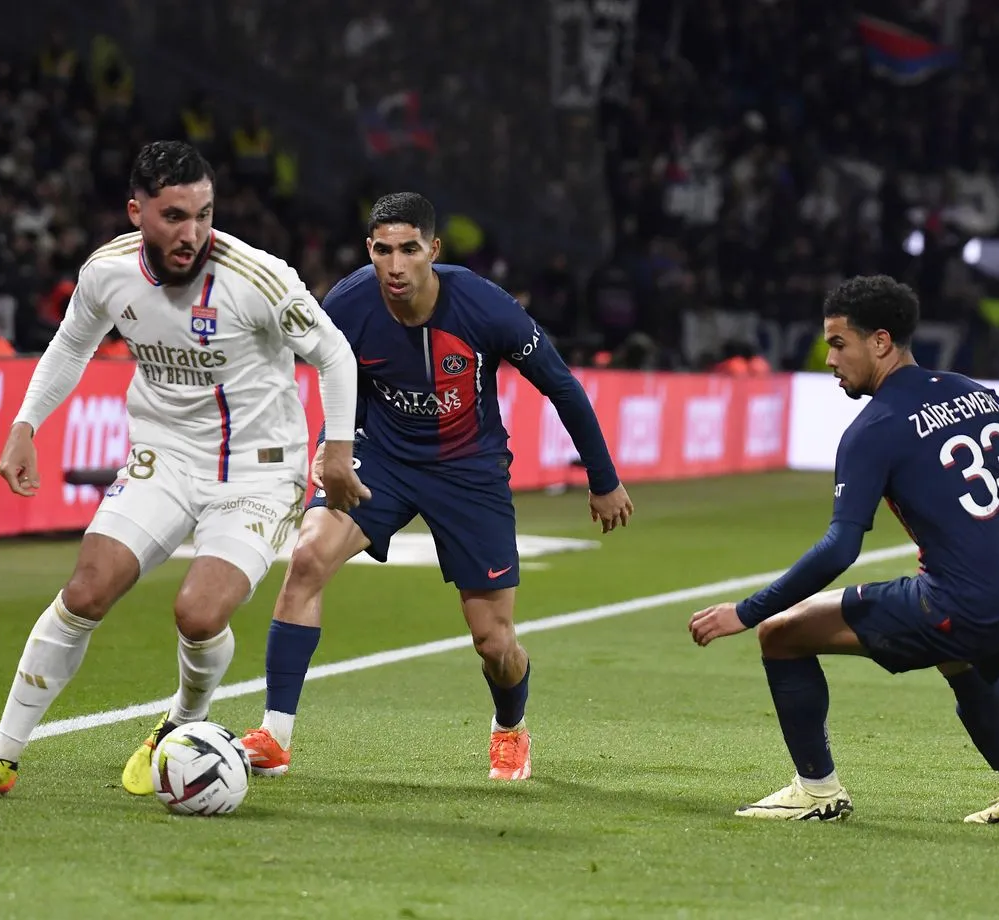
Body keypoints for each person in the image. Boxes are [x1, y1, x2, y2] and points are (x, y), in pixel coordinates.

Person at [147, 192, 634, 783]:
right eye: (383, 250)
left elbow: (561, 385)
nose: (396, 266)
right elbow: (332, 377)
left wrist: (602, 479)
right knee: (307, 558)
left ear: (433, 248)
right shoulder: (348, 305)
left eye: (409, 250)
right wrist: (333, 446)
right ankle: (274, 735)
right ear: (369, 250)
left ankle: (510, 727)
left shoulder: (485, 307)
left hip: (468, 472)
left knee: (494, 643)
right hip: (383, 460)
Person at [0, 140, 367, 798]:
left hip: (259, 469)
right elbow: (70, 345)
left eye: (203, 214)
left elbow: (334, 355)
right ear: (137, 212)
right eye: (173, 216)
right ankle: (1, 754)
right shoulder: (108, 272)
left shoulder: (257, 276)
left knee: (197, 614)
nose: (191, 232)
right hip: (164, 455)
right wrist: (25, 426)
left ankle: (180, 723)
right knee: (86, 589)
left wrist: (336, 449)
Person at [688, 275, 999, 826]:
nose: (830, 358)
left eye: (839, 343)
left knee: (781, 633)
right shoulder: (976, 393)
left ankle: (817, 790)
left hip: (967, 601)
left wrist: (745, 612)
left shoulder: (875, 428)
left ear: (880, 341)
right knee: (961, 660)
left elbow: (840, 547)